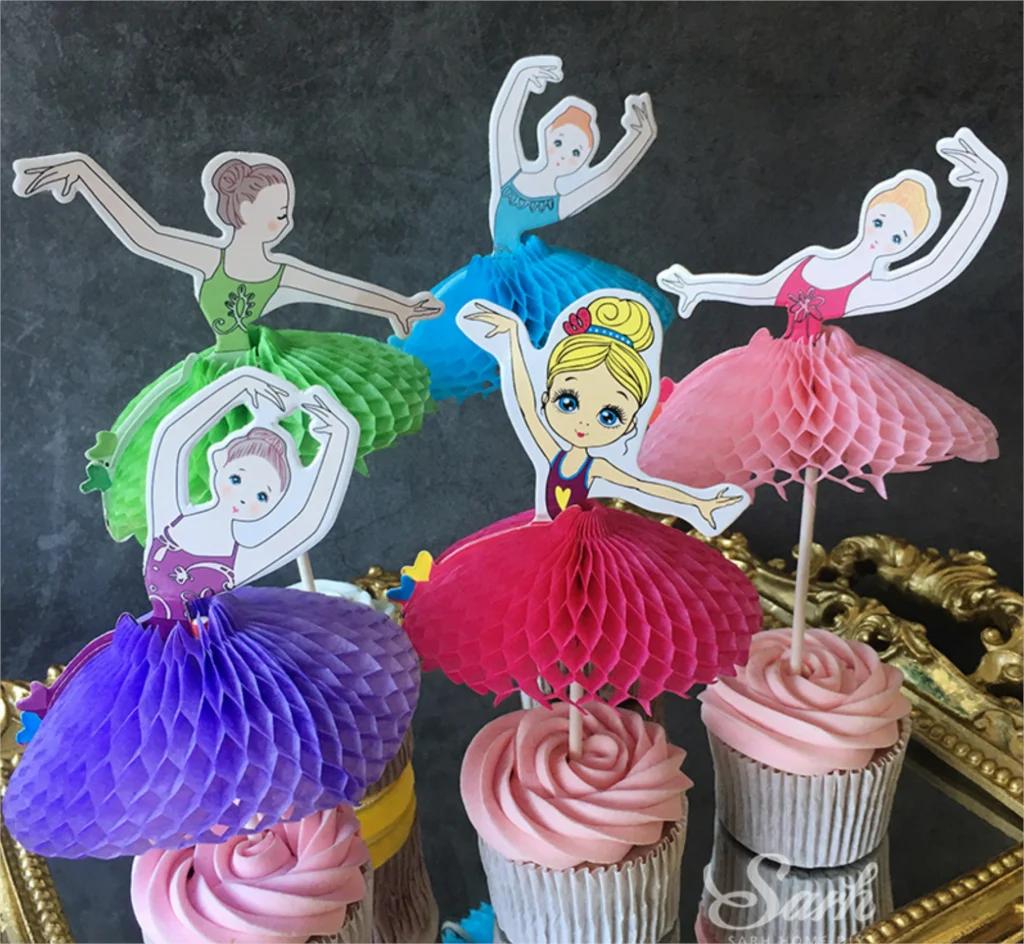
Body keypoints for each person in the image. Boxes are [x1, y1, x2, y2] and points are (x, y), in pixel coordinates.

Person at [4, 369, 421, 859]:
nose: (244, 496)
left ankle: (257, 838)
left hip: (229, 657)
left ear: (275, 504)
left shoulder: (246, 547)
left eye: (263, 496)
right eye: (239, 478)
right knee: (161, 761)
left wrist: (338, 436)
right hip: (145, 665)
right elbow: (173, 440)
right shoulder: (169, 515)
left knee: (249, 746)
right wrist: (237, 385)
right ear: (220, 463)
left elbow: (308, 520)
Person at [13, 150, 441, 543]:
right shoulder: (209, 259)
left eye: (287, 213)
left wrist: (399, 307)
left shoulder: (280, 270)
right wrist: (85, 174)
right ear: (246, 210)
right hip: (219, 380)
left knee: (292, 451)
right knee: (213, 465)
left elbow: (341, 292)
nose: (285, 222)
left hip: (278, 370)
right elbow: (145, 235)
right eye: (279, 213)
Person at [643, 128, 1004, 496]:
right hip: (772, 367)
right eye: (880, 221)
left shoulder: (869, 288)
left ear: (906, 247)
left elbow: (939, 266)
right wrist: (699, 286)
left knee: (832, 432)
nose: (881, 236)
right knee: (742, 428)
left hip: (836, 372)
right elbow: (760, 288)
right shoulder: (811, 262)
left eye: (898, 238)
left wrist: (987, 188)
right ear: (869, 213)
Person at [390, 55, 675, 401]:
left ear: (582, 161)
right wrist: (521, 79)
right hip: (492, 276)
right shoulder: (511, 174)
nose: (564, 155)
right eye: (560, 142)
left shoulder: (558, 200)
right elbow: (503, 126)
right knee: (440, 334)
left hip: (537, 280)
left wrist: (639, 137)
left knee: (550, 345)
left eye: (576, 153)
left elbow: (605, 178)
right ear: (547, 136)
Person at [463, 294, 747, 533]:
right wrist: (513, 341)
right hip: (544, 534)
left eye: (608, 416)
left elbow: (642, 486)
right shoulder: (552, 453)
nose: (584, 422)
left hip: (585, 541)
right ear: (546, 397)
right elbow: (527, 405)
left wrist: (697, 503)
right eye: (568, 402)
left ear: (631, 424)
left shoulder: (596, 467)